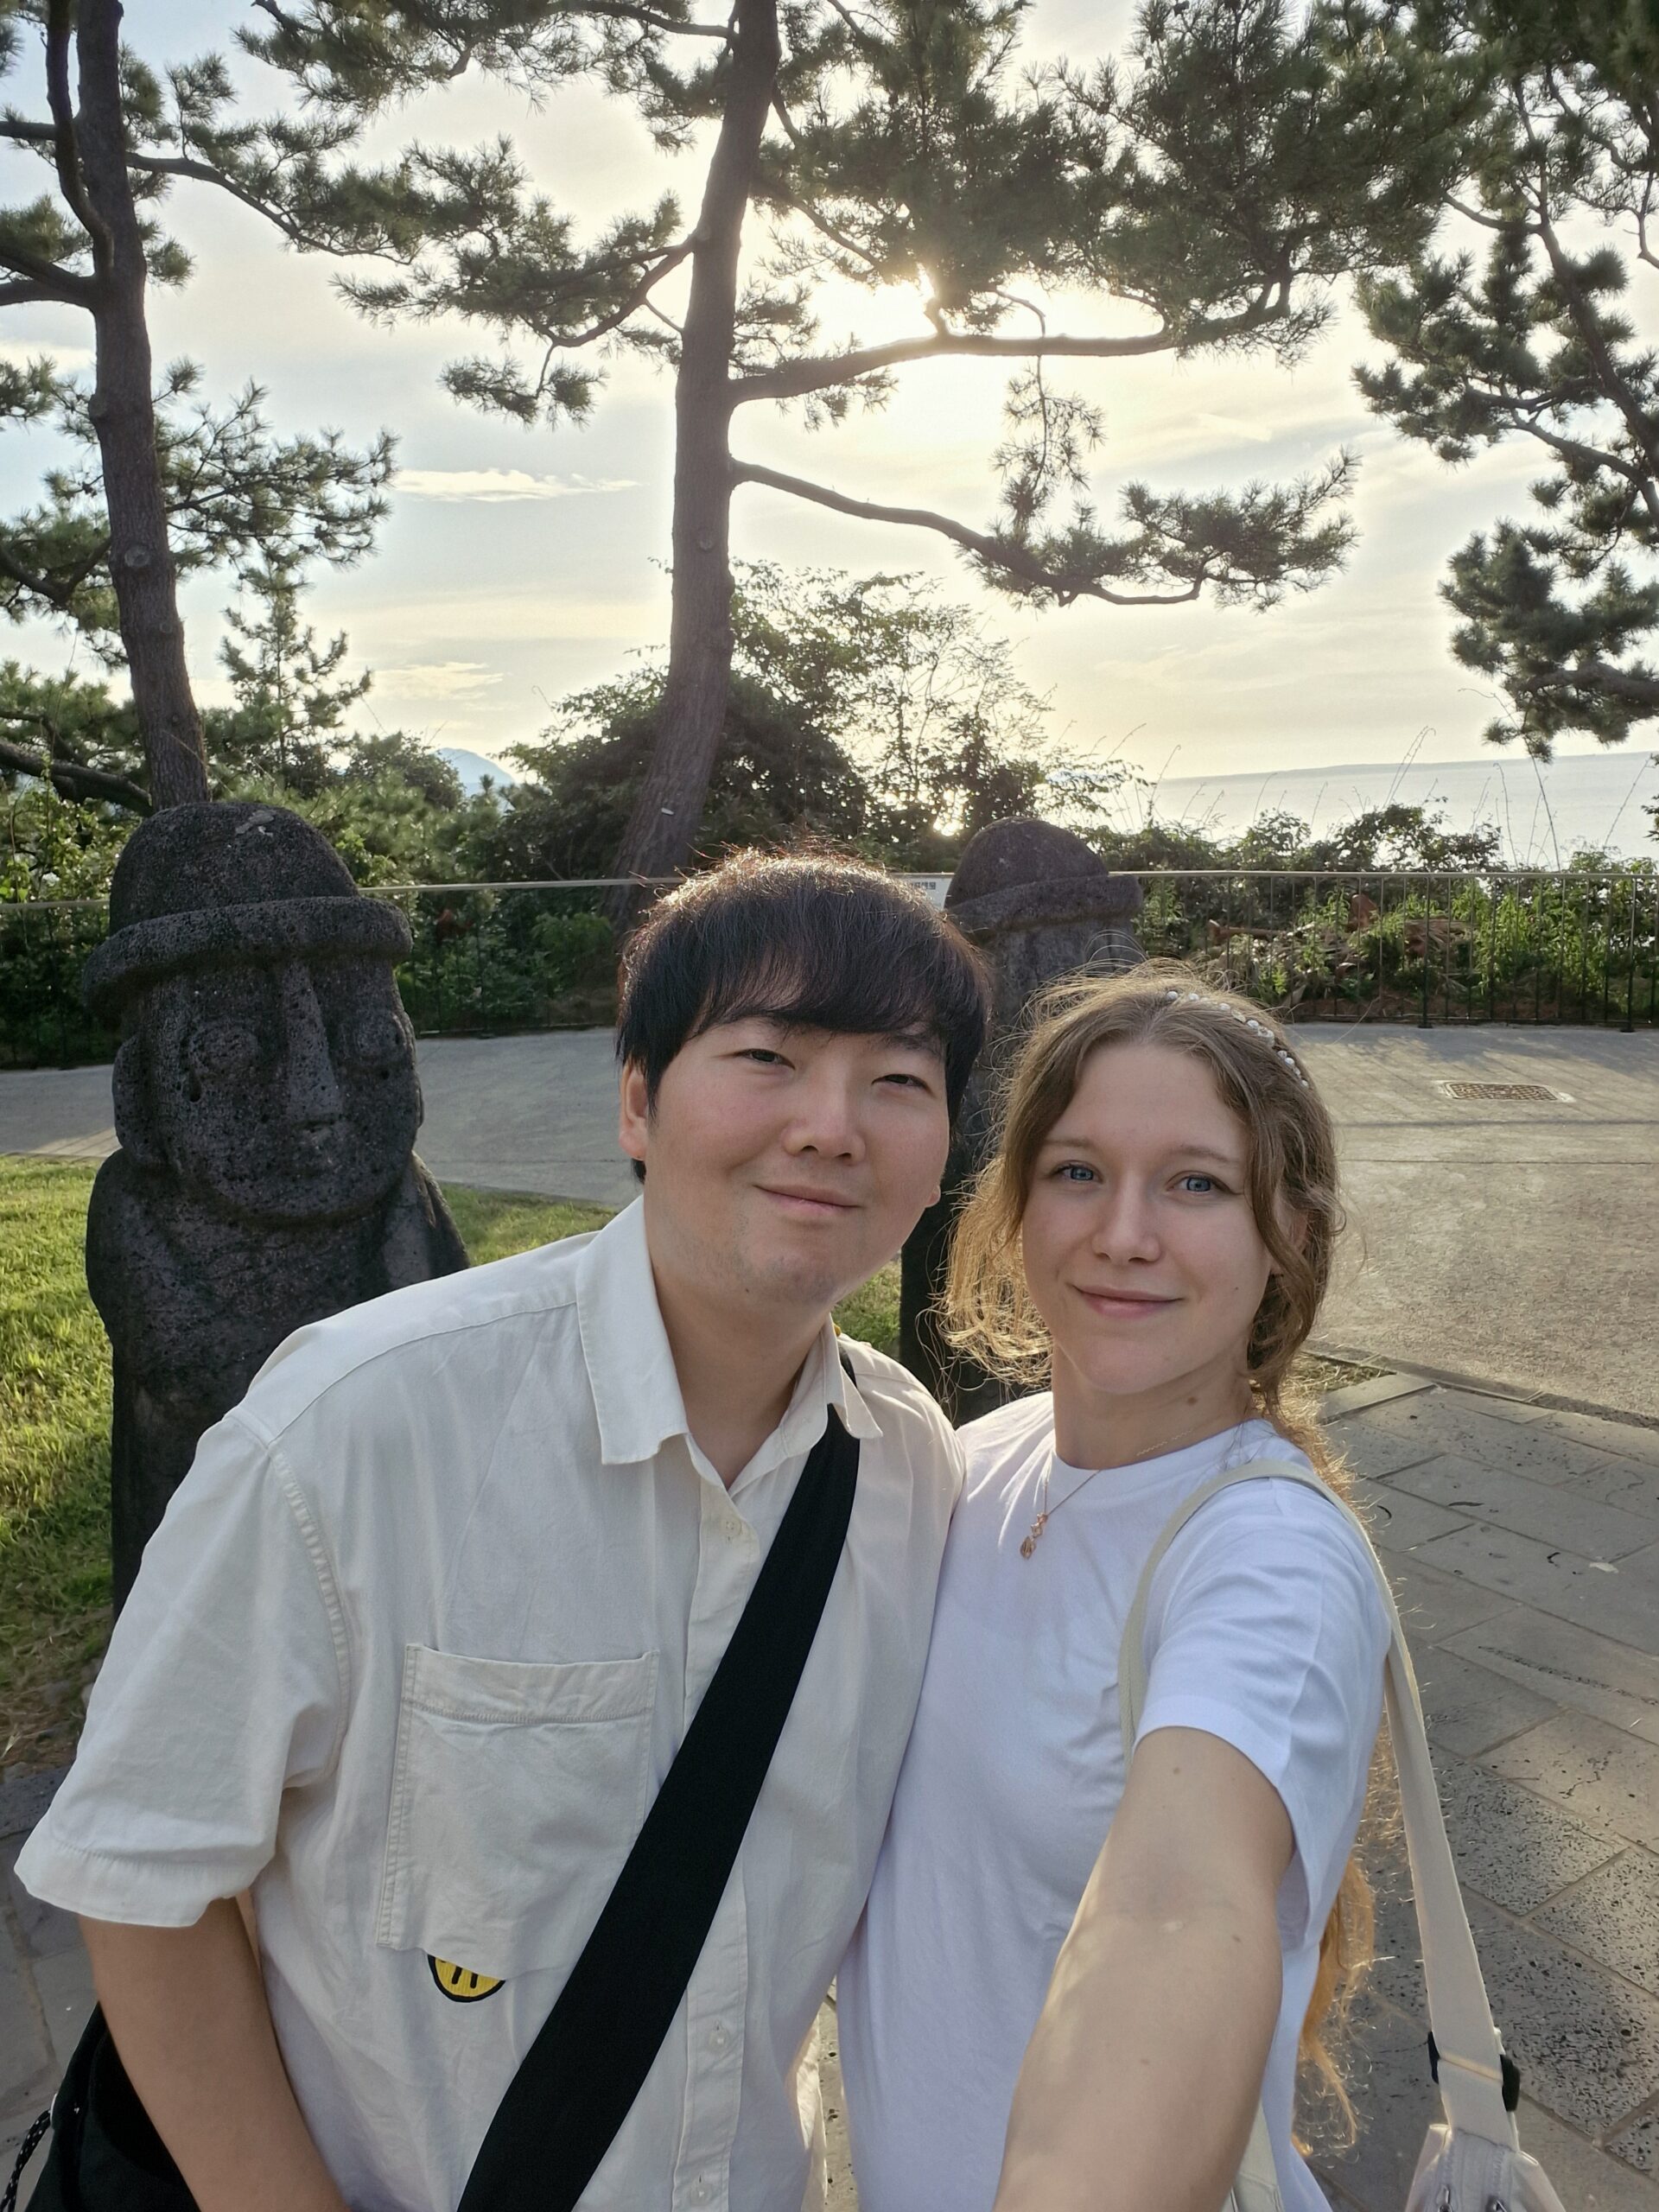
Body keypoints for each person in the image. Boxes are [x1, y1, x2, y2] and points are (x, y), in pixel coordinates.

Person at [17, 850, 988, 2212]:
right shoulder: (355, 1428)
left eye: (898, 1081)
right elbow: (142, 1878)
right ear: (639, 1101)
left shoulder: (908, 1471)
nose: (833, 1127)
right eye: (768, 1057)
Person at [838, 962, 1391, 2212]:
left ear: (1291, 1233)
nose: (1124, 1233)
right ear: (1018, 1202)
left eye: (1196, 1184)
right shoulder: (974, 1461)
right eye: (1079, 1171)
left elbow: (1174, 1914)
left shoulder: (1272, 1564)